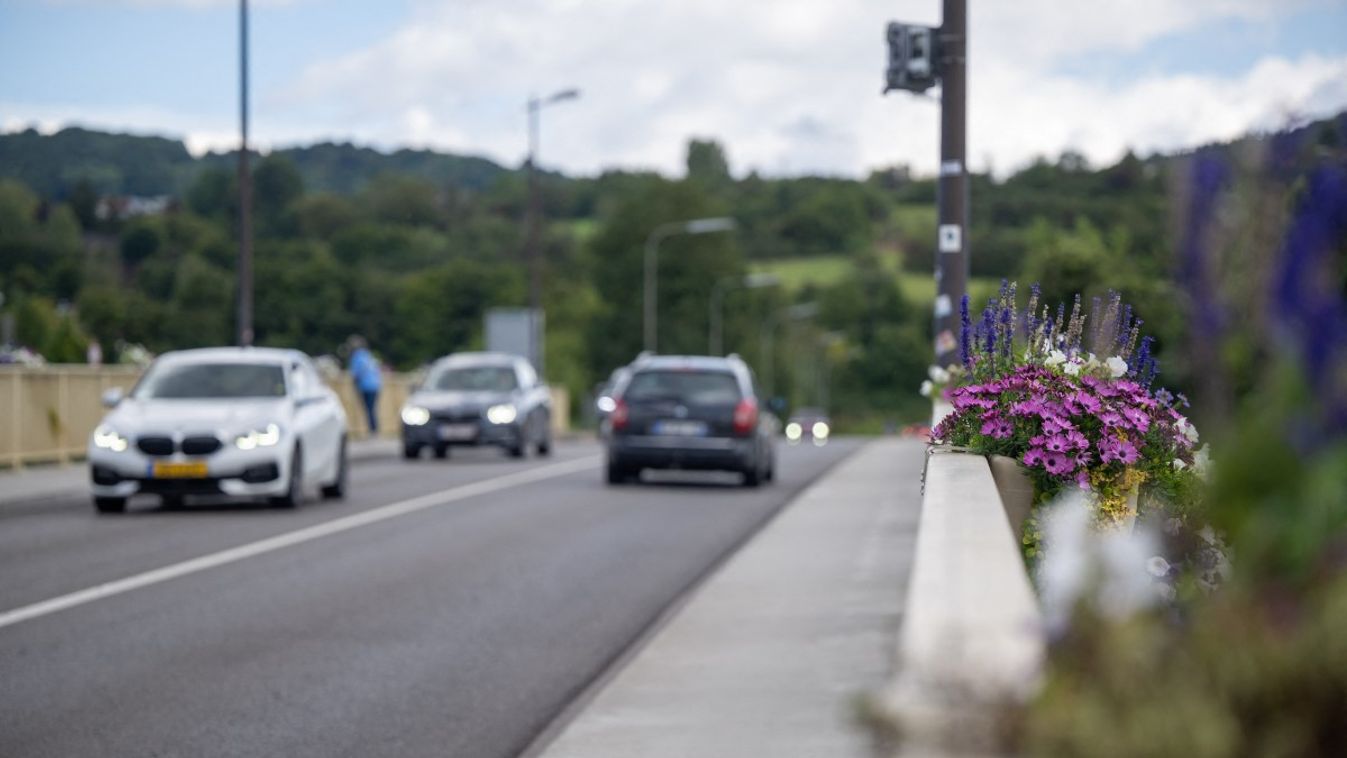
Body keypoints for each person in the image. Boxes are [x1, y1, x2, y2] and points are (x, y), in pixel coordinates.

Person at [347, 336, 382, 435]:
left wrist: (354, 384)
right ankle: (374, 429)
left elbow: (357, 373)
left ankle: (372, 430)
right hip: (375, 385)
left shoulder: (357, 357)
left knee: (368, 409)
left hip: (365, 386)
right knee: (372, 409)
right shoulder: (368, 355)